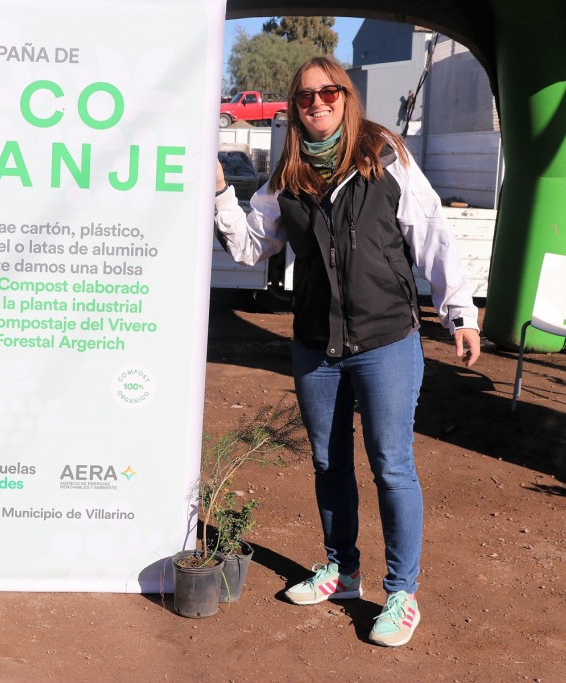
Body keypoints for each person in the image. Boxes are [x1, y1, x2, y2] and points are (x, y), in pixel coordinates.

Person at [214, 56, 481, 648]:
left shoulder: (384, 155)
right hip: (316, 344)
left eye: (328, 92)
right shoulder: (287, 174)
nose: (317, 103)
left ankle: (401, 594)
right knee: (329, 462)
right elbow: (252, 248)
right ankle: (343, 571)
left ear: (346, 97)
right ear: (294, 107)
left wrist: (459, 311)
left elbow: (431, 231)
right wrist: (220, 194)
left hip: (386, 339)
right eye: (305, 96)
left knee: (392, 465)